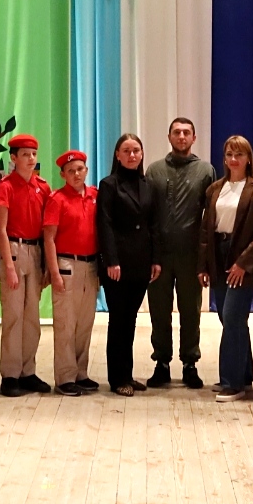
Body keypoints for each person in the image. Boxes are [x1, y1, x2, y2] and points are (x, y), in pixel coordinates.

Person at [196, 135, 253, 402]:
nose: (233, 159)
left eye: (239, 154)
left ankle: (232, 382)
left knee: (232, 318)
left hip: (242, 258)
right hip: (218, 255)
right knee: (230, 319)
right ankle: (245, 374)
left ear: (248, 158)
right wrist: (204, 265)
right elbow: (206, 230)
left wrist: (243, 264)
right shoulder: (215, 189)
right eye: (229, 154)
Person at [142, 118, 216, 389]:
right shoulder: (154, 170)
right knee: (159, 311)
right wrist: (150, 254)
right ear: (169, 136)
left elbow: (211, 217)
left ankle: (190, 364)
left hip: (190, 255)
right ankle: (161, 363)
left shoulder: (206, 171)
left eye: (186, 133)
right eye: (177, 132)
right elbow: (147, 214)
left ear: (194, 138)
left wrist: (205, 260)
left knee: (190, 311)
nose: (181, 136)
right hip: (160, 256)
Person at [97, 134, 159, 396]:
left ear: (142, 154)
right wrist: (111, 260)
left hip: (141, 264)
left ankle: (127, 374)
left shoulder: (149, 185)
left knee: (130, 320)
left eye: (136, 150)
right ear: (117, 155)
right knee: (118, 321)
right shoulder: (109, 184)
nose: (132, 155)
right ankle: (117, 378)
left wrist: (156, 259)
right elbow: (104, 224)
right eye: (126, 150)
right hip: (117, 265)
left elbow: (154, 225)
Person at [0, 134, 53, 396]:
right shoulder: (6, 186)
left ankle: (28, 371)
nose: (31, 159)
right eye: (25, 155)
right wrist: (8, 265)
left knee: (32, 317)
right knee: (14, 316)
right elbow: (0, 229)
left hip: (36, 251)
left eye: (33, 154)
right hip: (15, 250)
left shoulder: (43, 187)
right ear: (13, 158)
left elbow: (48, 230)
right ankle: (10, 374)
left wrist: (47, 265)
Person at [43, 150, 101, 396]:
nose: (76, 174)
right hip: (67, 264)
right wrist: (54, 272)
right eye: (70, 171)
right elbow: (49, 238)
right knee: (66, 324)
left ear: (86, 170)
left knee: (85, 323)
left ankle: (81, 373)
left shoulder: (95, 196)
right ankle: (65, 377)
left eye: (80, 169)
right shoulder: (57, 200)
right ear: (62, 175)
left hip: (91, 265)